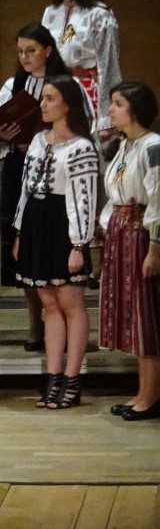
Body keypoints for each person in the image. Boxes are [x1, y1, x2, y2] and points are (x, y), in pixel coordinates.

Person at [12, 77, 99, 410]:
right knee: (49, 303)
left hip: (64, 225)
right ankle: (53, 377)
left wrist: (79, 244)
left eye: (50, 98)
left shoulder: (81, 147)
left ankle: (73, 378)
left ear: (68, 105)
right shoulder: (38, 140)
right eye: (43, 98)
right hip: (37, 223)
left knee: (70, 302)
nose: (43, 104)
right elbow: (25, 189)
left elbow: (84, 199)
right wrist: (20, 232)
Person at [0, 24, 71, 352]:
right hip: (19, 167)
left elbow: (79, 124)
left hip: (57, 169)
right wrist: (4, 135)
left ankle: (62, 321)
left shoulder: (64, 86)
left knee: (53, 241)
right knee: (24, 244)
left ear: (47, 51)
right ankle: (34, 323)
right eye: (20, 52)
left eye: (31, 50)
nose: (25, 57)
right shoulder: (13, 85)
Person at [100, 82, 160, 421]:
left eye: (118, 103)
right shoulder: (125, 145)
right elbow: (115, 194)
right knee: (134, 318)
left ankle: (151, 396)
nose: (111, 110)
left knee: (146, 316)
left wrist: (154, 248)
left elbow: (159, 200)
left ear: (135, 109)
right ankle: (142, 391)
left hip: (141, 235)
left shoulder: (153, 147)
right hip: (123, 233)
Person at [42, 0, 122, 134]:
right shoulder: (50, 13)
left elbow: (108, 66)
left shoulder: (98, 14)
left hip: (87, 94)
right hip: (56, 92)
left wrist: (106, 118)